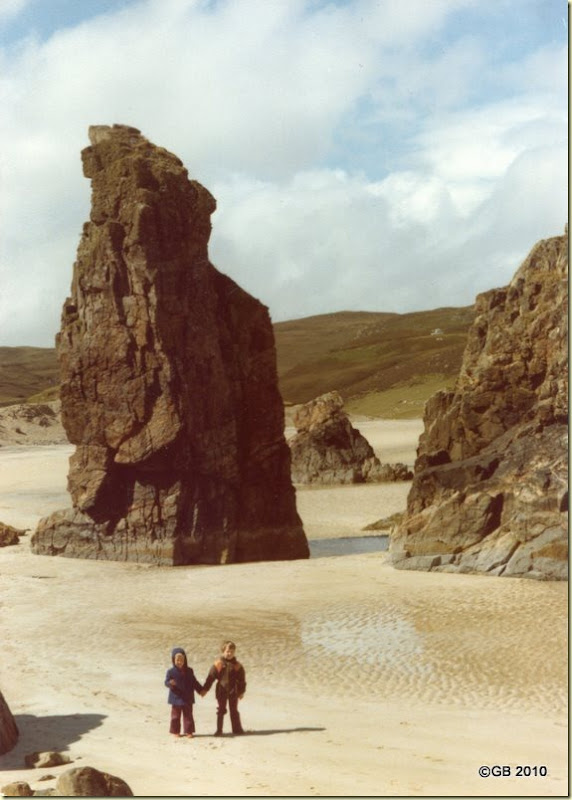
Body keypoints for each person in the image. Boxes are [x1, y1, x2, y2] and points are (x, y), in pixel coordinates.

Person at [201, 640, 246, 736]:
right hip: (221, 691)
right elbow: (210, 678)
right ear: (223, 651)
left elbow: (242, 680)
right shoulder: (218, 664)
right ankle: (219, 730)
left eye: (232, 652)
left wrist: (241, 692)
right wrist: (205, 689)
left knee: (234, 710)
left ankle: (237, 729)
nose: (229, 654)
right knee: (221, 710)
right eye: (227, 651)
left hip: (233, 691)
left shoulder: (237, 665)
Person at [164, 646, 203, 738]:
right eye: (177, 660)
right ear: (173, 660)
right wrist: (170, 683)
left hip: (187, 697)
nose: (179, 662)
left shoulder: (189, 671)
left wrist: (201, 690)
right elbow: (166, 682)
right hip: (176, 697)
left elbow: (194, 682)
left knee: (188, 715)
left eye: (181, 660)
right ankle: (175, 731)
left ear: (185, 659)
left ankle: (188, 731)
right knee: (175, 716)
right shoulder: (171, 672)